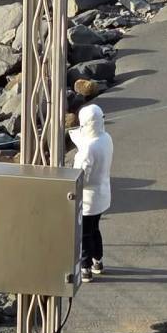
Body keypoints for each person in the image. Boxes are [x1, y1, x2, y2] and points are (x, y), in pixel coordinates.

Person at [69, 103, 114, 282]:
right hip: (103, 194)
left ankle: (85, 267)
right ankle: (98, 261)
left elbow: (82, 177)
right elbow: (91, 141)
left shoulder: (87, 150)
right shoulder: (106, 138)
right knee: (95, 229)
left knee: (84, 233)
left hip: (88, 199)